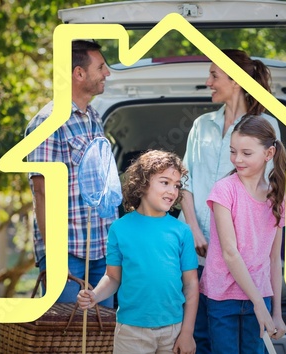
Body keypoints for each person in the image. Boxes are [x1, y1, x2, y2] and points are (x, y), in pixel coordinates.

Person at [179, 49, 281, 353]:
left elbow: (269, 189)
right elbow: (186, 181)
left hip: (241, 257)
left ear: (236, 81)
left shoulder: (265, 128)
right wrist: (195, 230)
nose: (208, 81)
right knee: (200, 335)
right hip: (197, 249)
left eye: (214, 75)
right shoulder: (201, 126)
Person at [78, 150, 199, 354]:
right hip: (131, 333)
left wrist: (187, 333)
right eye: (165, 182)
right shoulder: (119, 228)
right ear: (142, 184)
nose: (172, 190)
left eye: (177, 185)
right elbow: (113, 278)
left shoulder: (182, 231)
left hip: (174, 331)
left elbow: (191, 284)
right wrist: (95, 296)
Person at [25, 40, 116, 305]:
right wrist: (55, 256)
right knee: (66, 336)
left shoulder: (94, 117)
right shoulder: (47, 122)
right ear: (79, 73)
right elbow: (41, 193)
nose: (107, 73)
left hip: (100, 249)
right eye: (101, 67)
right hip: (68, 253)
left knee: (98, 339)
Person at [200, 115, 286, 353]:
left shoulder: (277, 197)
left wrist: (276, 313)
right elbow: (230, 252)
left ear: (268, 154)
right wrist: (259, 304)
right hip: (222, 298)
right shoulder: (224, 190)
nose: (237, 159)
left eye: (246, 153)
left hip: (260, 297)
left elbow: (273, 259)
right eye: (233, 151)